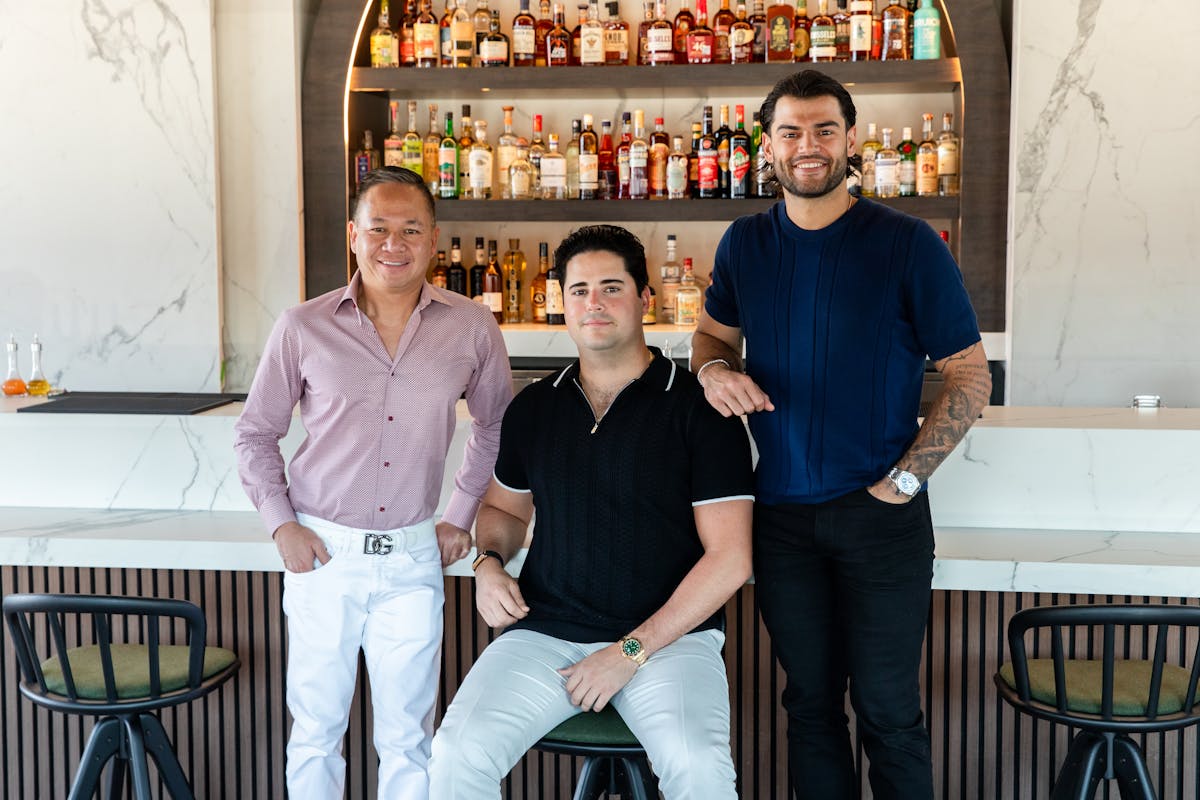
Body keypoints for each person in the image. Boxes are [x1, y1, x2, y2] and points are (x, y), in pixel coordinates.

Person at [691, 70, 992, 800]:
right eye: (791, 131)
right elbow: (709, 337)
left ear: (851, 140)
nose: (808, 146)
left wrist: (903, 483)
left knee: (889, 713)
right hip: (783, 520)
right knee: (811, 708)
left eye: (825, 129)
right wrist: (710, 374)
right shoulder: (745, 244)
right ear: (768, 145)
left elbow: (970, 376)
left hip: (882, 520)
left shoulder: (907, 243)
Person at [428, 225, 755, 799]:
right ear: (561, 302)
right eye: (578, 290)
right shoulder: (534, 405)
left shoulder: (699, 408)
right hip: (547, 632)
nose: (593, 304)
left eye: (611, 287)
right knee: (457, 755)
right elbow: (504, 509)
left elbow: (730, 558)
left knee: (700, 769)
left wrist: (630, 651)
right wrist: (488, 564)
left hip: (671, 640)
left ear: (644, 299)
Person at [234, 166, 512, 799]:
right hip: (322, 553)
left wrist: (459, 514)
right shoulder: (303, 325)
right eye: (380, 229)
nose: (395, 243)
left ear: (434, 240)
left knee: (410, 736)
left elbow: (496, 427)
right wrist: (283, 526)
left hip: (414, 557)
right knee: (315, 730)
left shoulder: (471, 325)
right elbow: (255, 433)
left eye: (411, 229)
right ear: (354, 236)